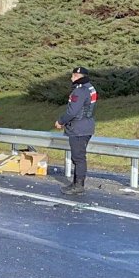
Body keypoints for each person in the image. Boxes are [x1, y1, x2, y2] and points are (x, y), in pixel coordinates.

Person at [55, 66, 97, 195]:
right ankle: (75, 183)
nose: (71, 78)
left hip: (78, 128)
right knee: (78, 157)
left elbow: (72, 111)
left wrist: (61, 121)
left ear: (78, 77)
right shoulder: (90, 87)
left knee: (78, 158)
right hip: (86, 125)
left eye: (73, 76)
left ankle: (79, 185)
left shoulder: (80, 91)